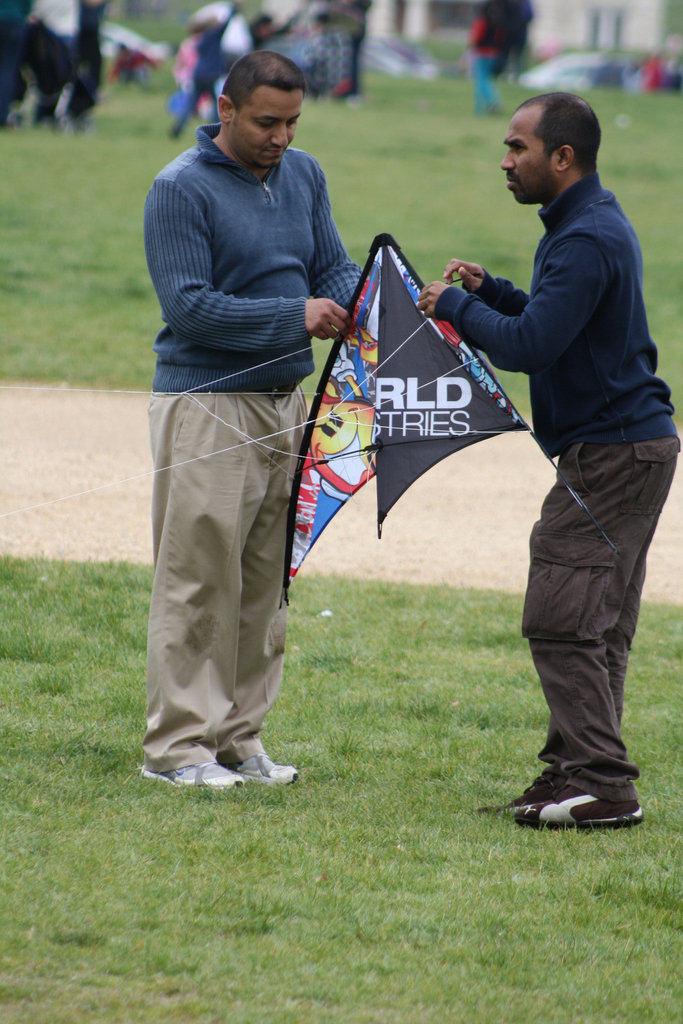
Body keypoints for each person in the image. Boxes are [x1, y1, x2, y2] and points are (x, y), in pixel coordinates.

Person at [417, 92, 678, 830]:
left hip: (614, 453)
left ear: (561, 157)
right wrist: (493, 293)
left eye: (516, 148)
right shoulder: (581, 226)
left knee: (560, 617)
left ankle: (603, 785)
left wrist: (454, 309)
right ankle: (571, 776)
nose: (504, 161)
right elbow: (558, 320)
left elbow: (531, 347)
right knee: (594, 625)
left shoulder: (585, 236)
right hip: (631, 446)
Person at [142, 49, 361, 789]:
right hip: (204, 404)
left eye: (294, 121)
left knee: (266, 581)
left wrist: (368, 299)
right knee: (199, 578)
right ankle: (177, 750)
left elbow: (329, 265)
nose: (282, 137)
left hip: (288, 404)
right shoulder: (178, 189)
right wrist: (295, 316)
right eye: (267, 121)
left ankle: (240, 738)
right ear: (226, 109)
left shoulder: (303, 174)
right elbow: (189, 307)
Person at [468, 0, 507, 115]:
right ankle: (492, 102)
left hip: (481, 52)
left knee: (481, 79)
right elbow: (501, 37)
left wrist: (469, 48)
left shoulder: (481, 21)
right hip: (493, 53)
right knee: (487, 78)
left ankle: (485, 105)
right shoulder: (497, 21)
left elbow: (475, 37)